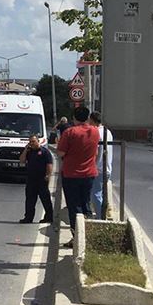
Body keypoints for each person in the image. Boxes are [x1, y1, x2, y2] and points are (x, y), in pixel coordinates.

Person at [56, 106, 100, 247]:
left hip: (71, 174)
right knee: (85, 204)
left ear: (74, 117)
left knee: (74, 207)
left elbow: (61, 153)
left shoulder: (69, 132)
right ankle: (87, 235)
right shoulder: (95, 131)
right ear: (87, 117)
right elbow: (96, 152)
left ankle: (77, 238)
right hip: (89, 174)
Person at [18, 135, 54, 224]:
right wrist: (26, 150)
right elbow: (22, 160)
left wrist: (48, 175)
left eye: (33, 141)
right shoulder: (29, 152)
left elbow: (49, 164)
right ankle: (28, 218)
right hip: (31, 179)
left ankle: (49, 217)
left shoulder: (45, 152)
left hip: (42, 179)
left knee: (45, 199)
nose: (31, 143)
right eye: (30, 142)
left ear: (38, 141)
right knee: (30, 200)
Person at [88, 111, 113, 219]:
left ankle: (100, 218)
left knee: (96, 195)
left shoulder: (95, 132)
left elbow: (94, 152)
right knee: (101, 194)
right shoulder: (108, 132)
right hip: (107, 168)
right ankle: (103, 214)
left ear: (92, 120)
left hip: (98, 168)